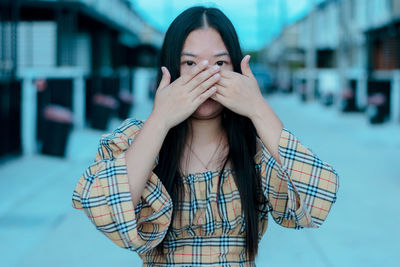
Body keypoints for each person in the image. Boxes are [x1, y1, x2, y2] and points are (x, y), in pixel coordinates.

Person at [72, 6, 339, 266]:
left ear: (238, 70)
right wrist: (160, 119)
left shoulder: (256, 148)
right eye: (190, 63)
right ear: (169, 70)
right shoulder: (136, 138)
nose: (207, 77)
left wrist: (258, 109)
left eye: (220, 63)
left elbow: (318, 202)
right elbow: (106, 212)